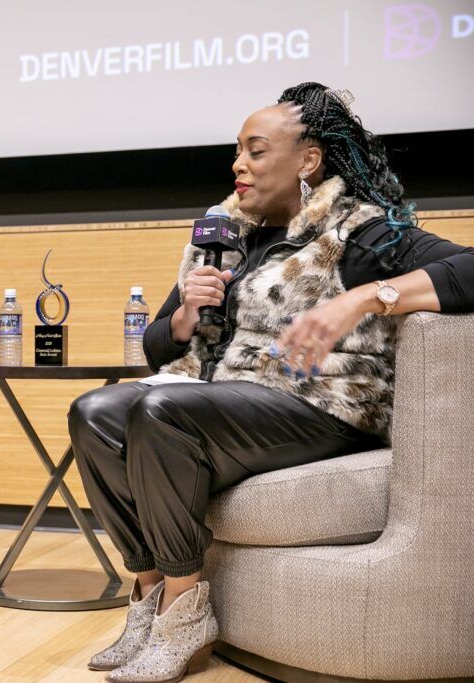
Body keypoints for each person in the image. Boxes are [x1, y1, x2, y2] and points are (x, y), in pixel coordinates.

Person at [69, 83, 474, 682]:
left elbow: (468, 267)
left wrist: (365, 298)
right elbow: (156, 344)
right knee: (94, 412)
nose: (238, 164)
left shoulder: (358, 233)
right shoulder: (225, 236)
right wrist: (184, 315)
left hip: (321, 406)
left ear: (308, 160)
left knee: (159, 413)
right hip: (226, 400)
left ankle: (184, 614)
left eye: (256, 151)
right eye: (237, 151)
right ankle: (148, 592)